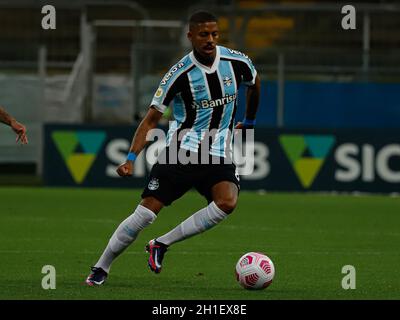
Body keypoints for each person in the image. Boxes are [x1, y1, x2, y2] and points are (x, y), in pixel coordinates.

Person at [85, 11, 260, 286]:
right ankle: (101, 267)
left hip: (218, 150)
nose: (210, 40)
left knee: (227, 202)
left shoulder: (237, 62)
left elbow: (254, 83)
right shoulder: (179, 75)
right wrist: (131, 158)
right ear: (190, 36)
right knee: (145, 214)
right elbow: (151, 120)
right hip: (182, 152)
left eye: (215, 34)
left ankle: (161, 244)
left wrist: (248, 121)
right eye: (204, 35)